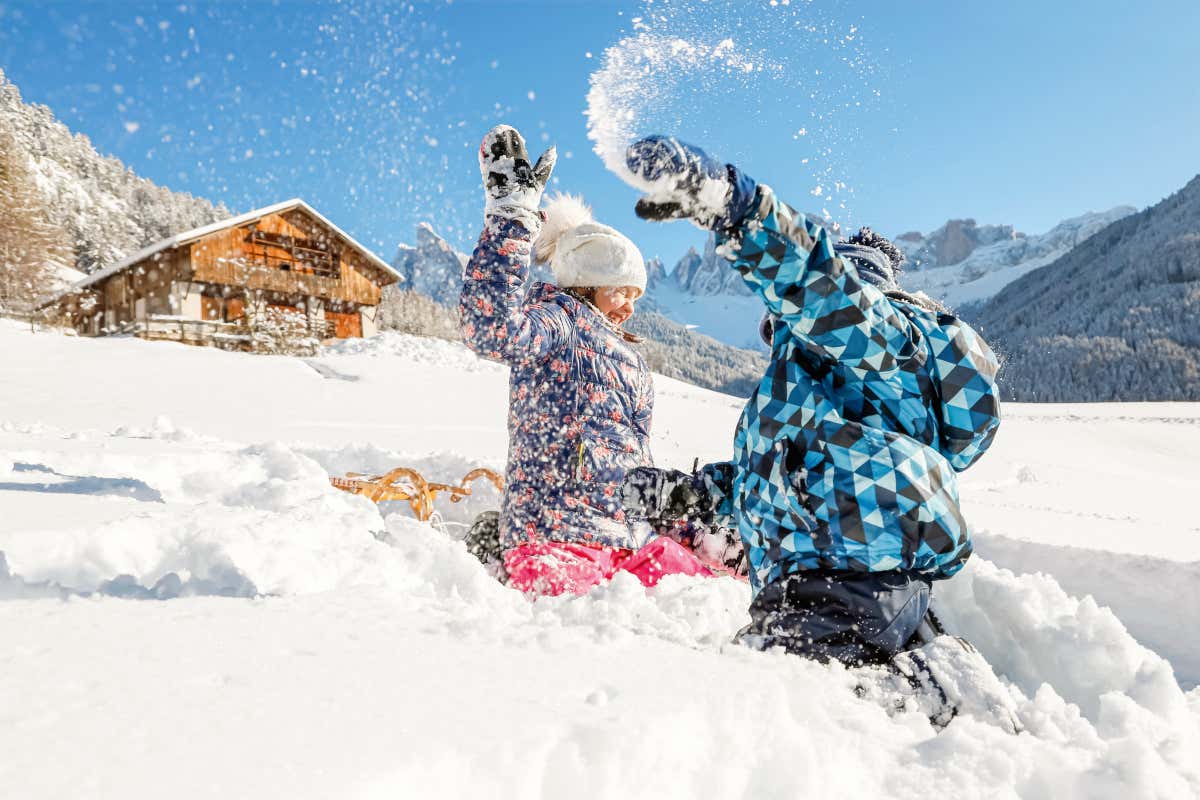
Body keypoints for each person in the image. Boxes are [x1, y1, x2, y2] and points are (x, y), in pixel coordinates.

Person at [619, 135, 1002, 666]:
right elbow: (778, 475)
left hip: (849, 579)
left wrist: (732, 204)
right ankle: (927, 684)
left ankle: (926, 691)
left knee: (756, 700)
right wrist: (690, 495)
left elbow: (813, 282)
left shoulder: (874, 338)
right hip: (812, 584)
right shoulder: (813, 392)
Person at [458, 124, 712, 597]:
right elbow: (490, 327)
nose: (629, 305)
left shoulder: (630, 359)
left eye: (636, 294)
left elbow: (630, 455)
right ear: (584, 283)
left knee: (701, 591)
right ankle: (498, 546)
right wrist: (512, 219)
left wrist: (675, 522)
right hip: (556, 534)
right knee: (577, 617)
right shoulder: (560, 321)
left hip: (626, 538)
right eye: (619, 289)